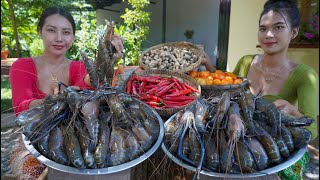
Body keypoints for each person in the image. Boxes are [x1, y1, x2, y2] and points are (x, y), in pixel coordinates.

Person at [8, 6, 124, 179]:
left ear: (73, 36)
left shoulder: (78, 67)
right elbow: (21, 109)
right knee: (29, 171)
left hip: (80, 136)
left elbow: (93, 85)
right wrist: (51, 100)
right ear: (40, 31)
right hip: (35, 137)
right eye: (51, 30)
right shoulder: (22, 66)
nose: (59, 38)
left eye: (66, 32)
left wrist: (109, 57)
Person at [232, 0, 318, 179]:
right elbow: (227, 91)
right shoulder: (245, 62)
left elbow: (312, 129)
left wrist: (294, 112)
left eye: (278, 27)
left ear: (294, 32)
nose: (268, 34)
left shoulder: (304, 75)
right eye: (263, 29)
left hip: (271, 157)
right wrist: (208, 66)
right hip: (235, 147)